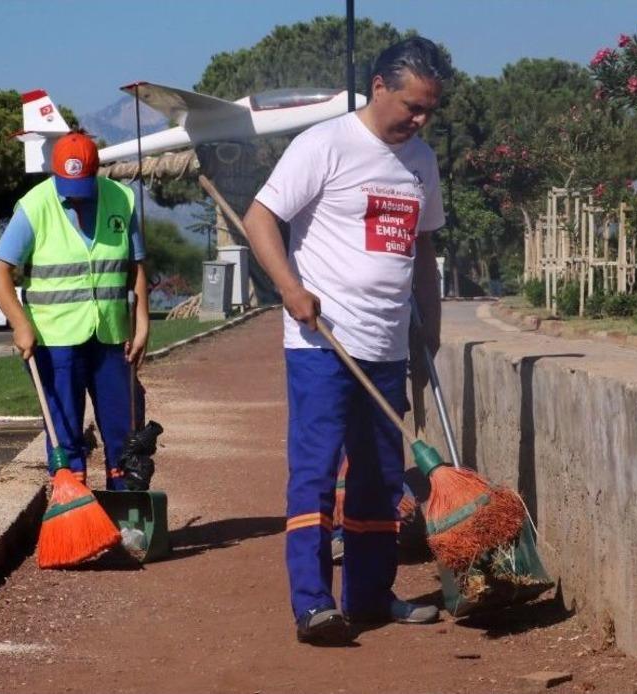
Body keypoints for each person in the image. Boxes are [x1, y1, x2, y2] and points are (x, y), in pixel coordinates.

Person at [242, 36, 450, 645]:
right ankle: (313, 603)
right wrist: (289, 288)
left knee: (379, 478)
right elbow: (260, 218)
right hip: (322, 345)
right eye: (411, 105)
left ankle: (369, 596)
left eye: (429, 109)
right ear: (379, 87)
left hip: (387, 345)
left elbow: (424, 250)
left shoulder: (422, 161)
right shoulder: (324, 144)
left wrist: (428, 331)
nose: (419, 119)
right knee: (314, 472)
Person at [0, 131, 149, 491]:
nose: (74, 196)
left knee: (124, 429)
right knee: (65, 435)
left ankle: (127, 512)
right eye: (67, 184)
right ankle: (73, 515)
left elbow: (135, 267)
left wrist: (142, 322)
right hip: (53, 342)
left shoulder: (122, 199)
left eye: (82, 184)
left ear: (95, 173)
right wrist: (20, 325)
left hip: (110, 336)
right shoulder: (35, 206)